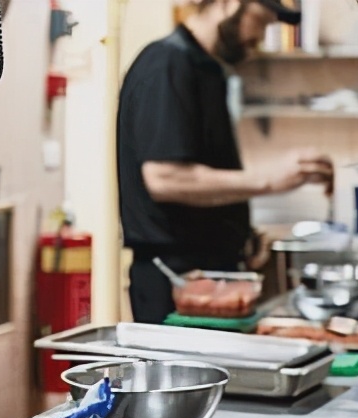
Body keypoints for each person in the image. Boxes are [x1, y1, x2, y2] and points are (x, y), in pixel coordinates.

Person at [117, 0, 334, 324]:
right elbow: (165, 178)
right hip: (177, 282)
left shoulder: (206, 69)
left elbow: (202, 174)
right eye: (260, 21)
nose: (260, 36)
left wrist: (241, 234)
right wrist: (269, 179)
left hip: (209, 275)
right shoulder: (166, 64)